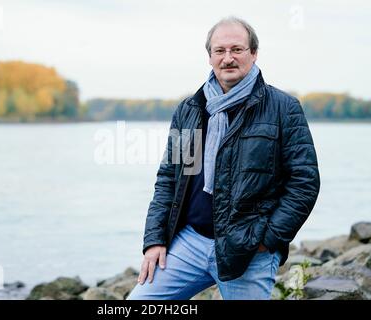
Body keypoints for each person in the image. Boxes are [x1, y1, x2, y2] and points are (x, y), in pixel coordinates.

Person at [127, 16, 320, 300]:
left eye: (237, 49)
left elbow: (304, 182)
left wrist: (268, 240)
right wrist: (154, 240)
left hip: (249, 251)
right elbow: (170, 179)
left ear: (253, 54)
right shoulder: (191, 109)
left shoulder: (283, 108)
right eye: (220, 51)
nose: (228, 58)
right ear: (210, 57)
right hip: (190, 242)